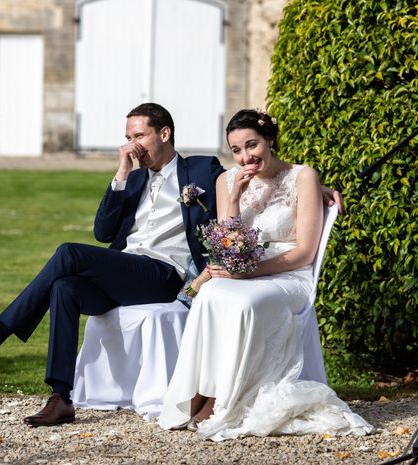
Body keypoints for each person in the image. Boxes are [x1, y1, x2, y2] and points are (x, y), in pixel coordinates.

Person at [0, 103, 343, 428]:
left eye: (138, 136)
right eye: (127, 138)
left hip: (163, 274)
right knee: (64, 287)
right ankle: (61, 397)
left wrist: (312, 187)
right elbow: (103, 233)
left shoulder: (201, 170)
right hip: (124, 270)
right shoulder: (133, 180)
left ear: (164, 134)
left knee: (68, 253)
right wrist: (122, 174)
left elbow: (257, 175)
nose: (132, 145)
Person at [158, 109, 372, 440]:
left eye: (252, 145)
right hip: (242, 270)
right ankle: (203, 391)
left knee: (245, 304)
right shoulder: (226, 181)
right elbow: (226, 242)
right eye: (237, 150)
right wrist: (234, 198)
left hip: (288, 273)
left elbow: (304, 253)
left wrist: (251, 272)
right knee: (209, 295)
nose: (246, 156)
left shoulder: (302, 177)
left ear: (269, 139)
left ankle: (227, 398)